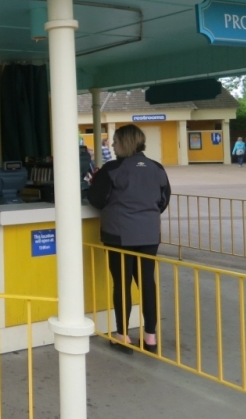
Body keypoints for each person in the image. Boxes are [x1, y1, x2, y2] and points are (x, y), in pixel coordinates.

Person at [87, 124, 171, 354]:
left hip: (119, 234)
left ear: (125, 143)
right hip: (149, 234)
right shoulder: (157, 168)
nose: (113, 146)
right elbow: (163, 200)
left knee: (122, 284)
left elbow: (96, 199)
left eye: (115, 142)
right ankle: (151, 337)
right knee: (147, 283)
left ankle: (122, 336)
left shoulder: (112, 169)